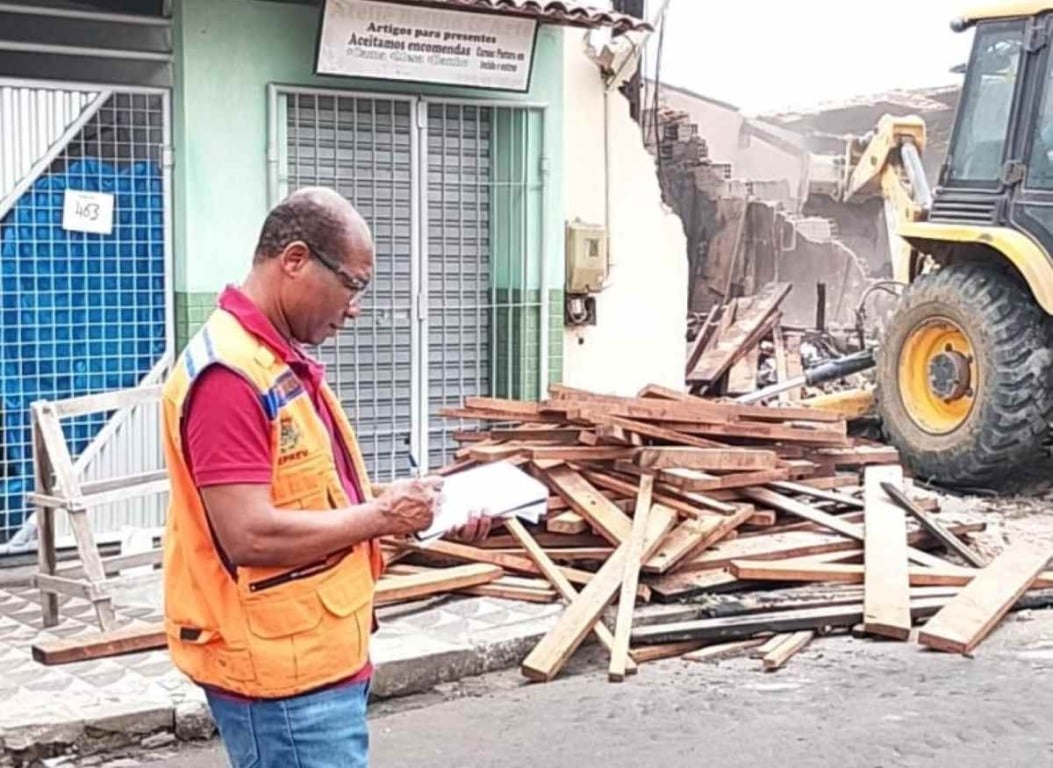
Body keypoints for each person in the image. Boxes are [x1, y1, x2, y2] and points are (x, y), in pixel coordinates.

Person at [161, 187, 489, 768]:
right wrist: (385, 516)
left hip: (316, 657)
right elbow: (249, 535)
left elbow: (318, 496)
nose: (355, 307)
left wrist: (422, 504)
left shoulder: (274, 361)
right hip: (282, 682)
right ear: (294, 260)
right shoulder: (230, 378)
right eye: (353, 285)